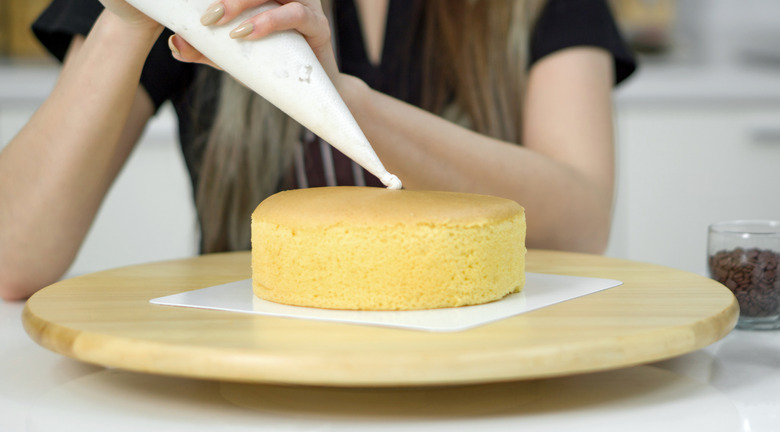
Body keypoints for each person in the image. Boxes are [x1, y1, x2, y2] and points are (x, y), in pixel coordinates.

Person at [0, 0, 636, 301]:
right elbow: (12, 260)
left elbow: (580, 223)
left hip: (488, 382)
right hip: (243, 387)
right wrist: (133, 12)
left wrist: (340, 102)